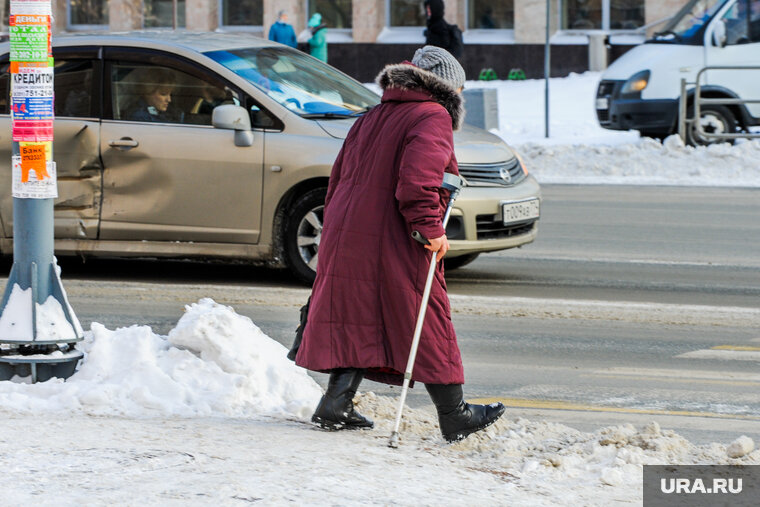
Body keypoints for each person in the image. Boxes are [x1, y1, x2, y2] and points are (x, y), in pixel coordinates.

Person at [295, 46, 505, 443]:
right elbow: (416, 182)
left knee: (361, 314)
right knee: (425, 315)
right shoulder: (431, 115)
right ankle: (454, 414)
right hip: (393, 234)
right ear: (447, 86)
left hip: (349, 230)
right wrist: (431, 228)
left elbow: (339, 176)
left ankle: (335, 404)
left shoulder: (375, 113)